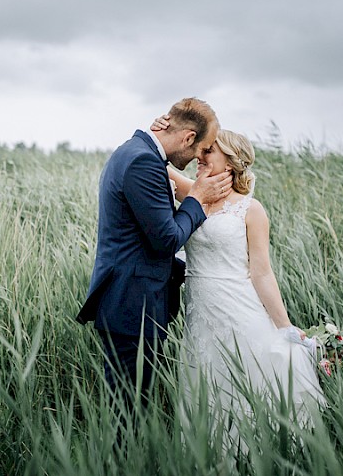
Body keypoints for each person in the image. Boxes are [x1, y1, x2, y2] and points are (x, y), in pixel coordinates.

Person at [152, 116, 326, 448]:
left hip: (238, 310)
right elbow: (155, 159)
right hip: (201, 314)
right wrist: (164, 126)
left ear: (231, 162)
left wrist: (284, 326)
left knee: (246, 384)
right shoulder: (195, 193)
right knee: (207, 384)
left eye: (210, 151)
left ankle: (255, 455)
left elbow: (261, 272)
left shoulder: (251, 209)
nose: (200, 156)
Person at [76, 98, 233, 410]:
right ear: (188, 137)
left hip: (129, 300)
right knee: (129, 411)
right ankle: (123, 461)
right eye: (200, 149)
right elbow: (166, 239)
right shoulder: (142, 161)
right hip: (133, 303)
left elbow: (140, 237)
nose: (197, 158)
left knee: (129, 406)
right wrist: (198, 199)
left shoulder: (136, 151)